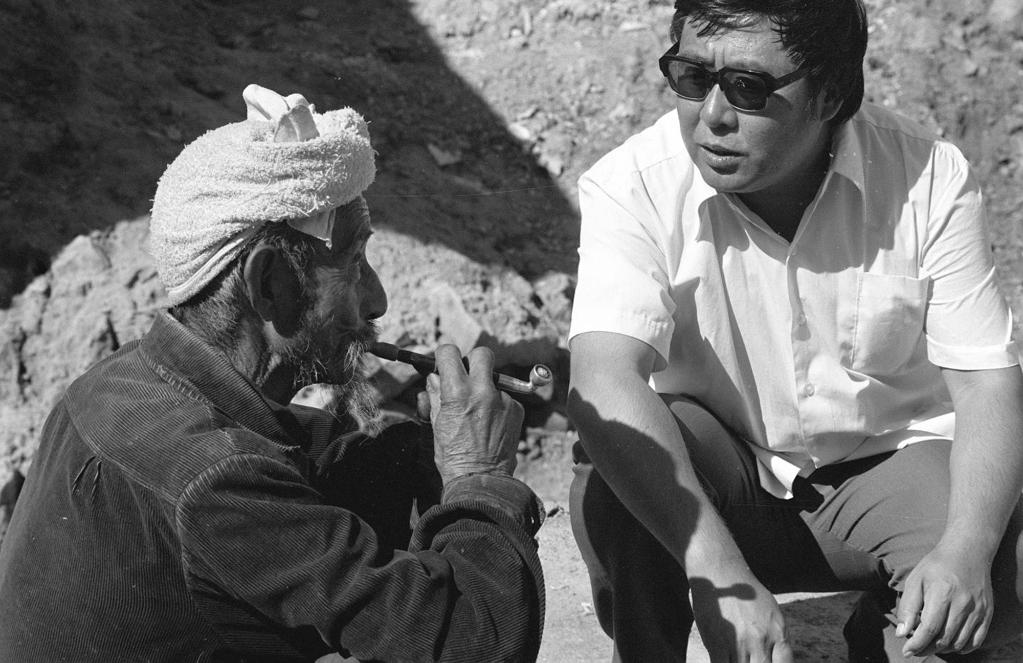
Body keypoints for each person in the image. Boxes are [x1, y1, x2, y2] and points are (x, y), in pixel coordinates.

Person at [0, 84, 545, 663]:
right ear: (270, 284)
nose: (378, 300)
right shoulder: (221, 477)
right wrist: (478, 475)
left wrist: (402, 456)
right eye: (353, 264)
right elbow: (477, 643)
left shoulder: (110, 382)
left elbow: (274, 512)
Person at [567, 1, 1023, 661]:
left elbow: (985, 381)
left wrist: (966, 551)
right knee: (617, 466)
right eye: (691, 77)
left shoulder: (927, 177)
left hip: (889, 472)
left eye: (747, 88)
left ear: (829, 94)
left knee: (1006, 562)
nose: (712, 115)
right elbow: (602, 378)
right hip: (725, 486)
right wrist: (717, 572)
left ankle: (890, 636)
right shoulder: (632, 185)